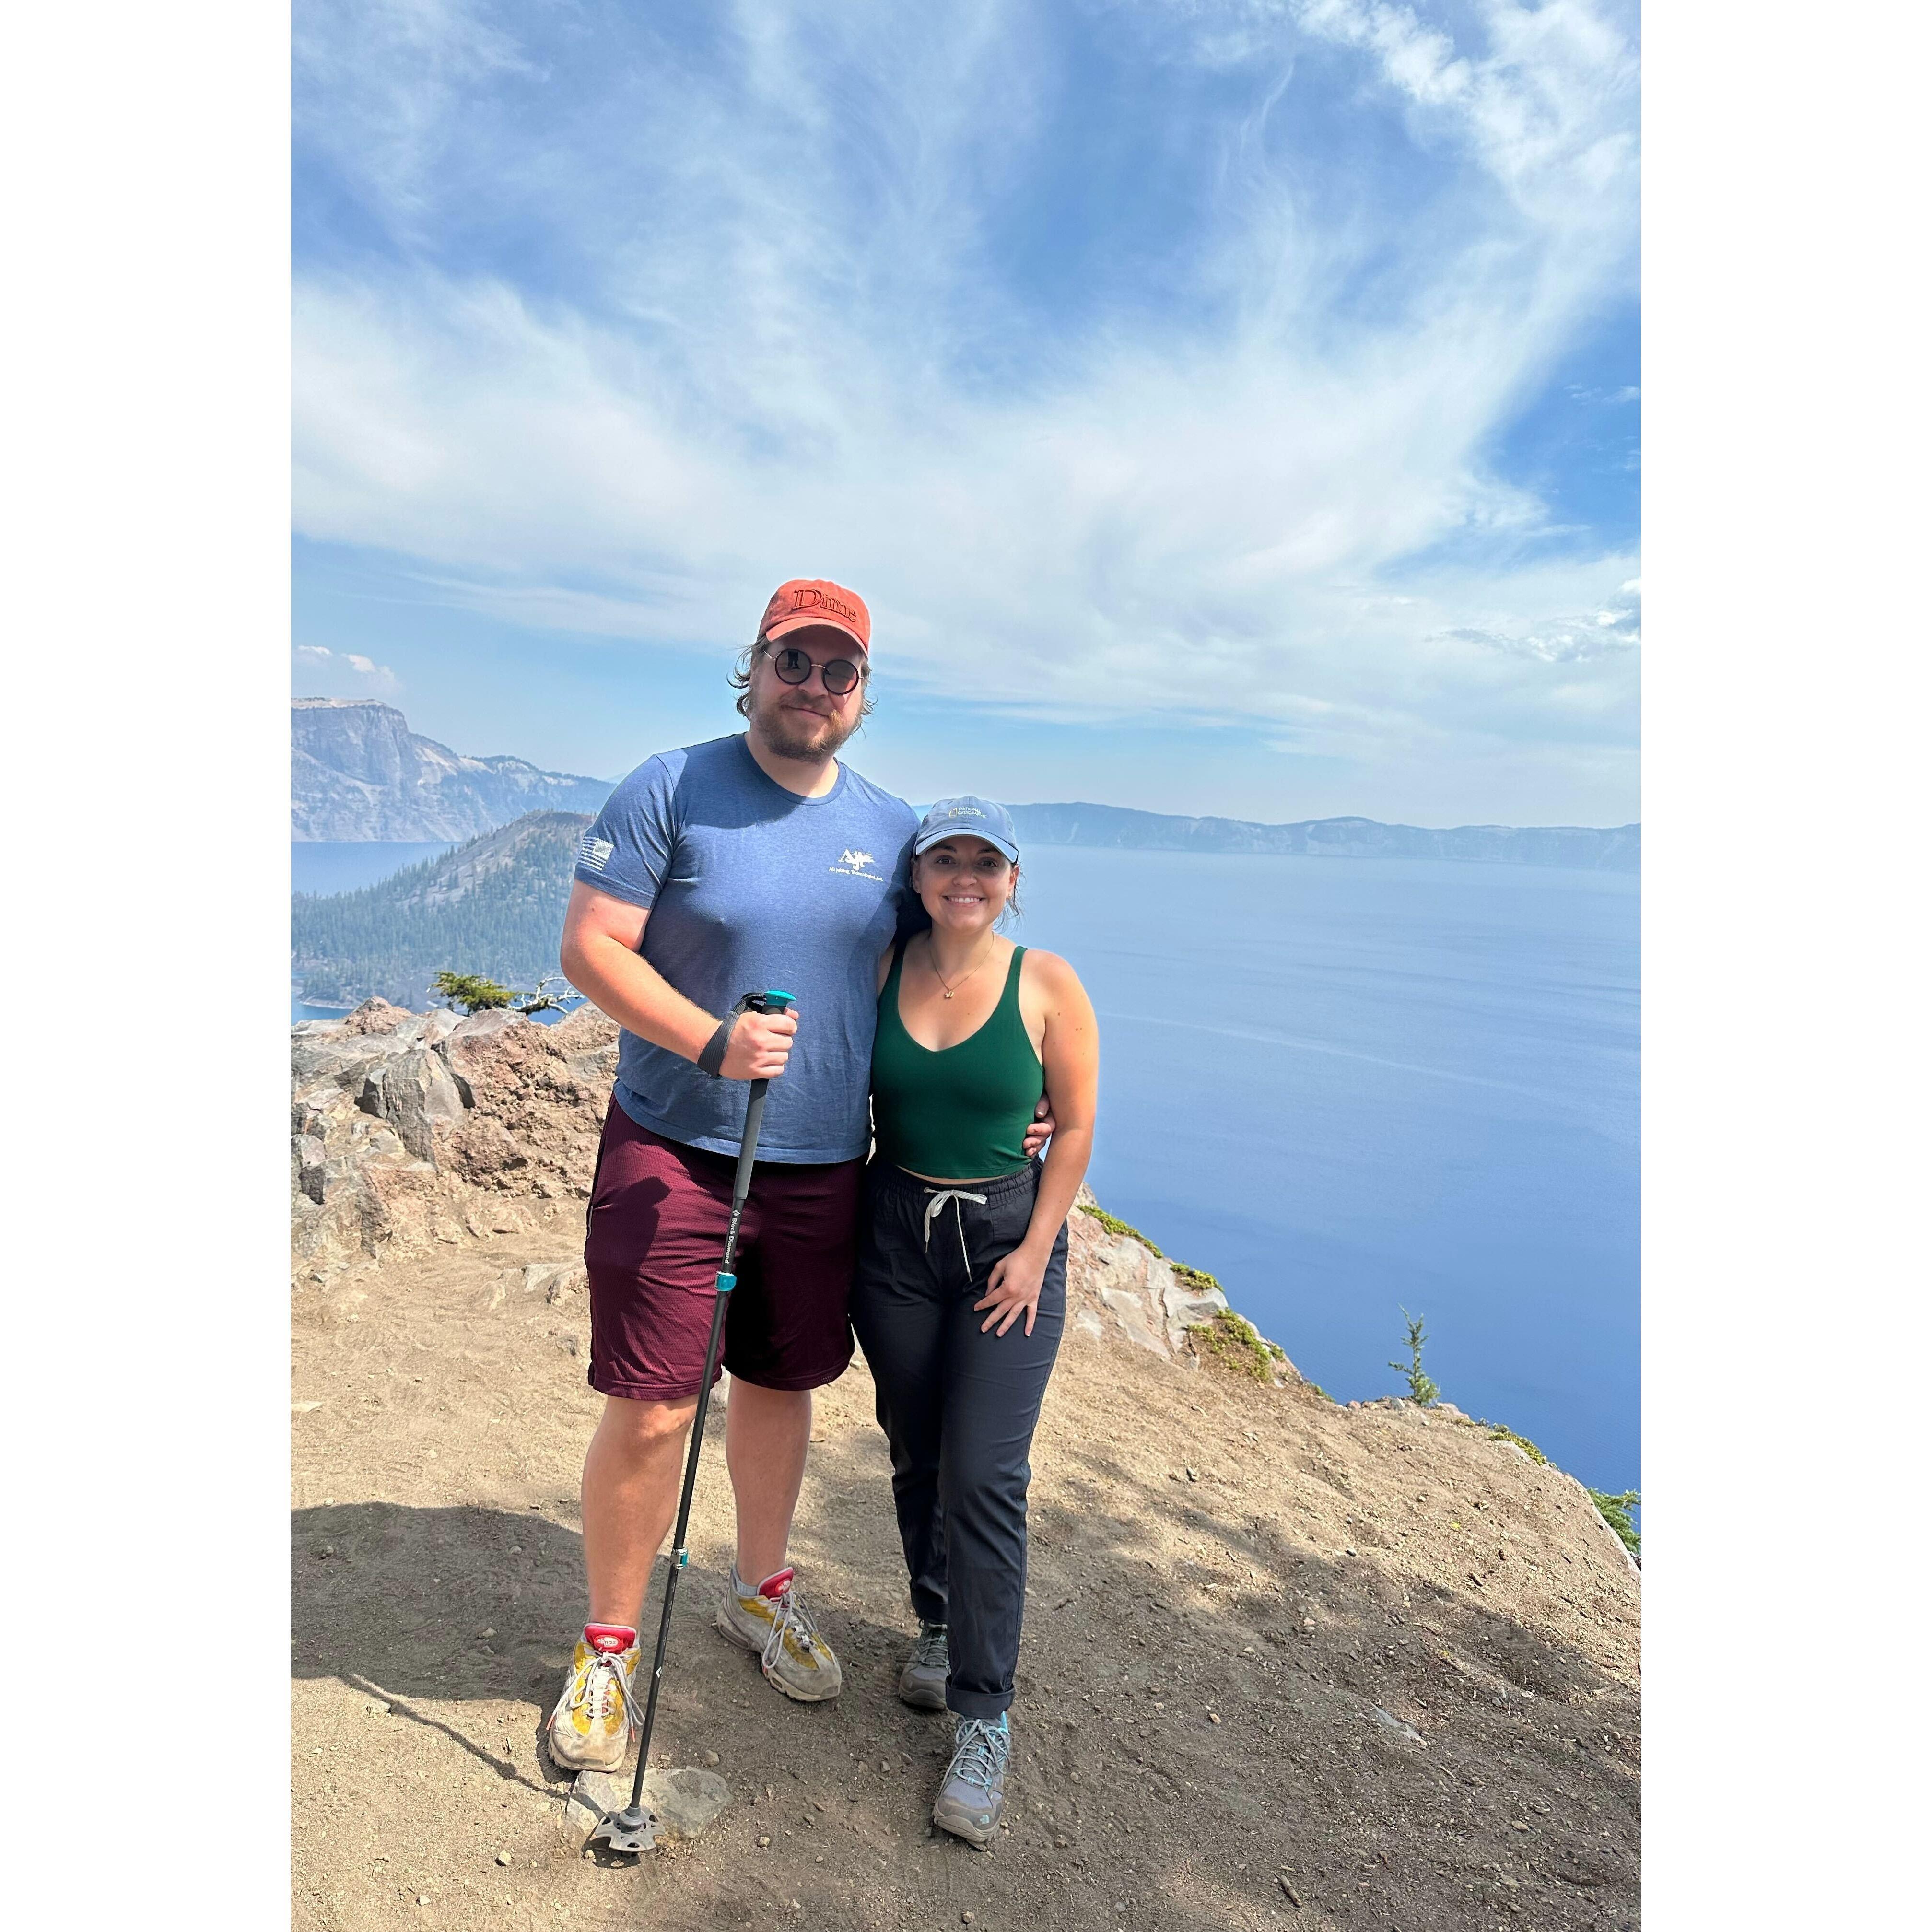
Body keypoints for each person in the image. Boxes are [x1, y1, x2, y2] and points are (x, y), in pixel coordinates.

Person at [543, 581, 1051, 1773]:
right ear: (755, 666)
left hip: (823, 1159)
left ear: (863, 694)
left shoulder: (892, 826)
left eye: (838, 670)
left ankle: (759, 1587)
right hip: (675, 1141)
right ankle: (610, 1643)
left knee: (782, 1383)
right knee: (658, 1397)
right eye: (793, 662)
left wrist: (1012, 1092)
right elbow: (587, 947)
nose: (813, 687)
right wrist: (708, 1040)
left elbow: (947, 965)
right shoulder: (670, 785)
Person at [852, 796, 1100, 1848]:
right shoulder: (879, 963)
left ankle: (984, 1714)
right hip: (894, 1231)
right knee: (913, 1447)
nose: (964, 874)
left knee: (985, 1474)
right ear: (915, 875)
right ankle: (937, 1619)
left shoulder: (1045, 980)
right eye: (943, 857)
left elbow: (1076, 1124)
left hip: (1004, 1237)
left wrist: (1035, 1250)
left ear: (1010, 879)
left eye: (984, 860)